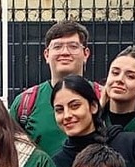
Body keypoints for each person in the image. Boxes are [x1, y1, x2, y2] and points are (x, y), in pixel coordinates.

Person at [10, 20, 98, 156]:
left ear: (86, 54)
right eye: (57, 47)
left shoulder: (102, 96)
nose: (65, 52)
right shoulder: (25, 103)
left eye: (73, 46)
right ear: (46, 54)